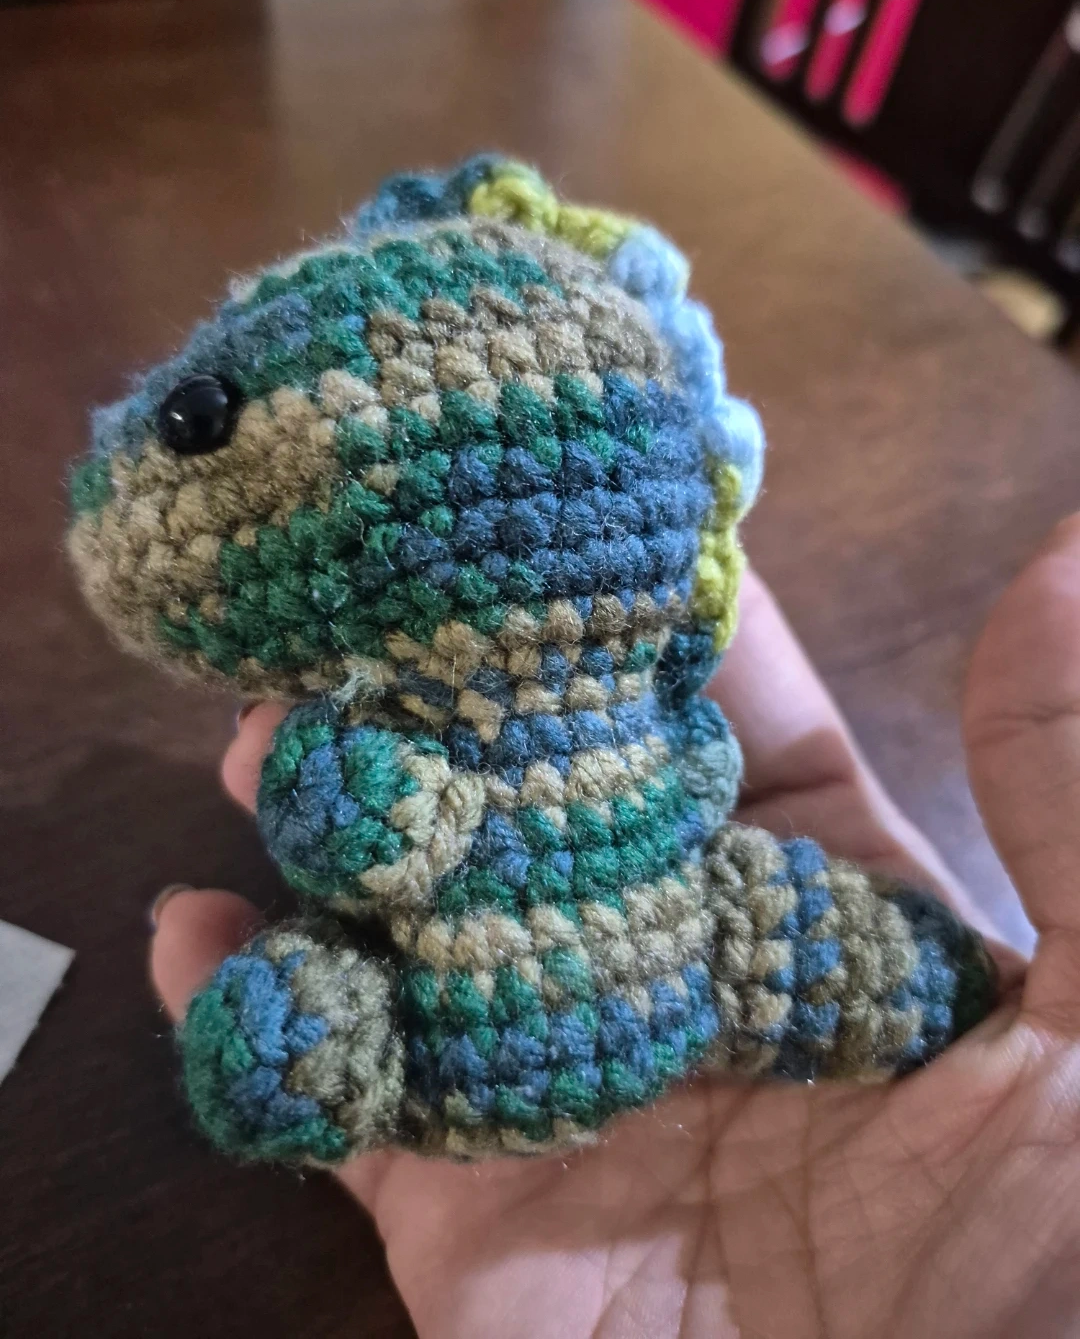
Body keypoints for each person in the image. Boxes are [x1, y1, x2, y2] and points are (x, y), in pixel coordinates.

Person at [149, 516, 1080, 1338]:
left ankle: (913, 983)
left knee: (797, 932)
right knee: (294, 1031)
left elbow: (697, 768)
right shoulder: (379, 725)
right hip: (442, 1033)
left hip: (687, 960)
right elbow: (341, 833)